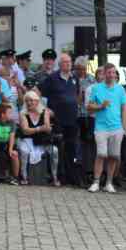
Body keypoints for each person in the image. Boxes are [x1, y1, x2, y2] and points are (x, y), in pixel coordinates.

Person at [87, 63, 126, 193]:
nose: (111, 75)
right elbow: (89, 107)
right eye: (109, 72)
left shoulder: (120, 89)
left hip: (117, 127)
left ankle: (109, 183)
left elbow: (124, 109)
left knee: (114, 156)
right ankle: (96, 182)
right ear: (104, 74)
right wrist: (100, 106)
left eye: (113, 72)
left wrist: (123, 127)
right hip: (101, 127)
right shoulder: (96, 88)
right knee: (101, 154)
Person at [40, 53, 79, 185]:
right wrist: (46, 109)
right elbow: (39, 93)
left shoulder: (74, 78)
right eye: (65, 62)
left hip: (72, 120)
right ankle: (59, 176)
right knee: (59, 148)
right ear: (60, 64)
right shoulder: (52, 78)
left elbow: (76, 95)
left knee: (71, 148)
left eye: (69, 62)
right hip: (57, 119)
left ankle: (71, 176)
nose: (68, 64)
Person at [18, 90, 59, 186]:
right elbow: (25, 130)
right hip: (26, 139)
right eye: (27, 101)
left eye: (31, 100)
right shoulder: (23, 113)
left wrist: (45, 129)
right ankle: (24, 176)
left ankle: (54, 176)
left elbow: (47, 127)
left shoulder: (45, 112)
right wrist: (39, 128)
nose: (29, 103)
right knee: (24, 151)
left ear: (37, 101)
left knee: (55, 151)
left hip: (41, 140)